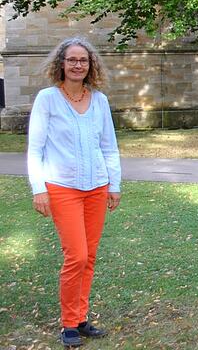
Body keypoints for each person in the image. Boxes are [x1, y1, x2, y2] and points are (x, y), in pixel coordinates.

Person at [27, 37, 121, 347]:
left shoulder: (100, 101)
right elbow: (35, 148)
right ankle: (68, 323)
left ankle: (80, 318)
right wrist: (38, 189)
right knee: (76, 255)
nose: (78, 64)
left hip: (96, 187)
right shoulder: (47, 99)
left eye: (83, 60)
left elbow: (108, 147)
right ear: (61, 64)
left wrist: (114, 184)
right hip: (61, 187)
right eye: (72, 60)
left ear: (91, 65)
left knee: (89, 257)